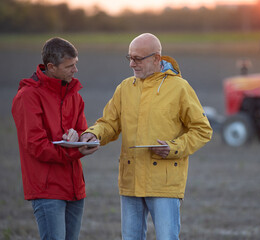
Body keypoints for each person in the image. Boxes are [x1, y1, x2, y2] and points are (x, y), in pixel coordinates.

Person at [80, 33, 212, 240]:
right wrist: (91, 134)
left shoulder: (179, 88)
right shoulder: (125, 88)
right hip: (130, 181)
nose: (132, 64)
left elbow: (202, 130)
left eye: (138, 58)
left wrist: (173, 147)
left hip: (164, 184)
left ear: (156, 59)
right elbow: (109, 124)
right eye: (130, 58)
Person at [11, 37, 98, 240]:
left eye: (75, 64)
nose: (75, 70)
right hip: (46, 189)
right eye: (70, 66)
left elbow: (82, 130)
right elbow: (36, 146)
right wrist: (75, 150)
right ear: (51, 66)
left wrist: (86, 139)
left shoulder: (74, 94)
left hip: (75, 188)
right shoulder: (27, 96)